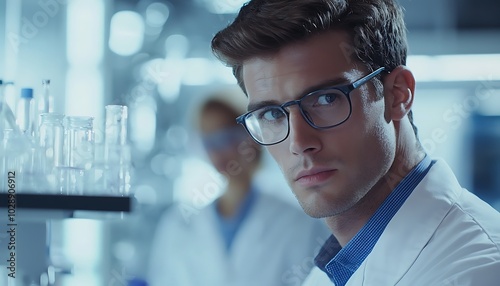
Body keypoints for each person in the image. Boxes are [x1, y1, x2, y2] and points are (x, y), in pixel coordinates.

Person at [210, 0, 500, 285]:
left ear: (398, 95)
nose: (299, 143)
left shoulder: (477, 270)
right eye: (272, 113)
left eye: (326, 99)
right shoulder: (329, 271)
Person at [147, 88, 330, 286]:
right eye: (209, 142)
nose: (217, 152)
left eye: (226, 138)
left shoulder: (297, 222)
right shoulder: (178, 224)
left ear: (252, 136)